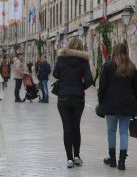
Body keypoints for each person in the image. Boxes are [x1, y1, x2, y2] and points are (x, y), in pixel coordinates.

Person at [53, 37, 93, 168]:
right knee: (76, 126)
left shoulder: (61, 58)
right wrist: (80, 87)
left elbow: (55, 74)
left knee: (67, 127)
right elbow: (89, 80)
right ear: (81, 46)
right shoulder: (83, 61)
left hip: (63, 97)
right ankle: (77, 156)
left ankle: (69, 159)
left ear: (68, 45)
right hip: (78, 98)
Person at [98, 43, 137, 171]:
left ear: (114, 51)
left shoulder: (108, 65)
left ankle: (113, 159)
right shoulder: (131, 67)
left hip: (110, 104)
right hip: (127, 104)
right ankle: (122, 162)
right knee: (124, 132)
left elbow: (102, 87)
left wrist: (101, 102)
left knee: (111, 131)